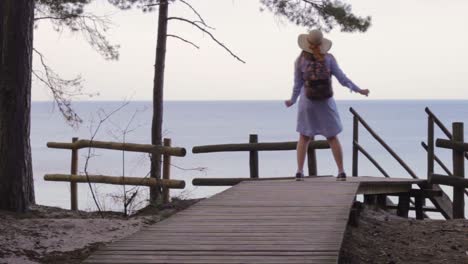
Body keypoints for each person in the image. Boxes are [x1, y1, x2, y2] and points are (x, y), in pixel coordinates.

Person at [285, 29, 370, 181]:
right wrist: (359, 90)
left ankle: (299, 171)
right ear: (322, 44)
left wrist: (292, 100)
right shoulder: (329, 59)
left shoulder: (300, 61)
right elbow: (343, 79)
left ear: (306, 44)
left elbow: (297, 84)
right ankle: (341, 171)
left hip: (307, 103)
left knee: (304, 137)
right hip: (325, 102)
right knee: (332, 137)